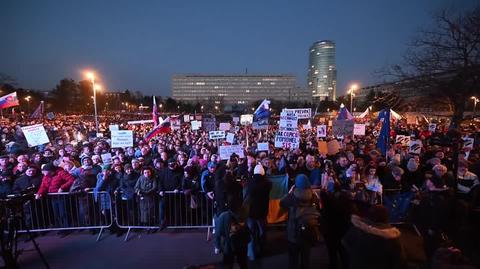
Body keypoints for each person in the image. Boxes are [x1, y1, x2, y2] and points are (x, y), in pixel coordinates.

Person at [342, 205, 405, 269]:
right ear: (386, 218)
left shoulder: (357, 229)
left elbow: (345, 243)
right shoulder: (392, 238)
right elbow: (399, 261)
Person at [280, 174, 320, 269]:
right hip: (308, 231)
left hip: (294, 233)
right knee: (306, 259)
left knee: (293, 260)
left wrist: (290, 192)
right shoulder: (313, 196)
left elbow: (281, 203)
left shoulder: (292, 196)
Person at [244, 164, 272, 261]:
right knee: (262, 232)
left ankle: (251, 253)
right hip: (262, 213)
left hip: (251, 213)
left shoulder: (250, 183)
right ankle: (261, 250)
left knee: (251, 233)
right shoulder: (267, 183)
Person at [35, 163, 75, 228]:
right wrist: (39, 193)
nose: (43, 172)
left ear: (50, 170)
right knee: (56, 213)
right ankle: (60, 227)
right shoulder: (46, 176)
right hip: (53, 197)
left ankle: (67, 227)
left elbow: (71, 180)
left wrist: (62, 187)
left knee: (63, 212)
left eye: (45, 171)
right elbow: (43, 186)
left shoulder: (61, 173)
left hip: (62, 196)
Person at [214, 195, 249, 269]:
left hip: (229, 245)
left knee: (228, 264)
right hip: (241, 245)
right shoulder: (244, 214)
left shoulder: (224, 216)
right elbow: (248, 231)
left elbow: (218, 232)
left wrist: (217, 246)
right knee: (242, 263)